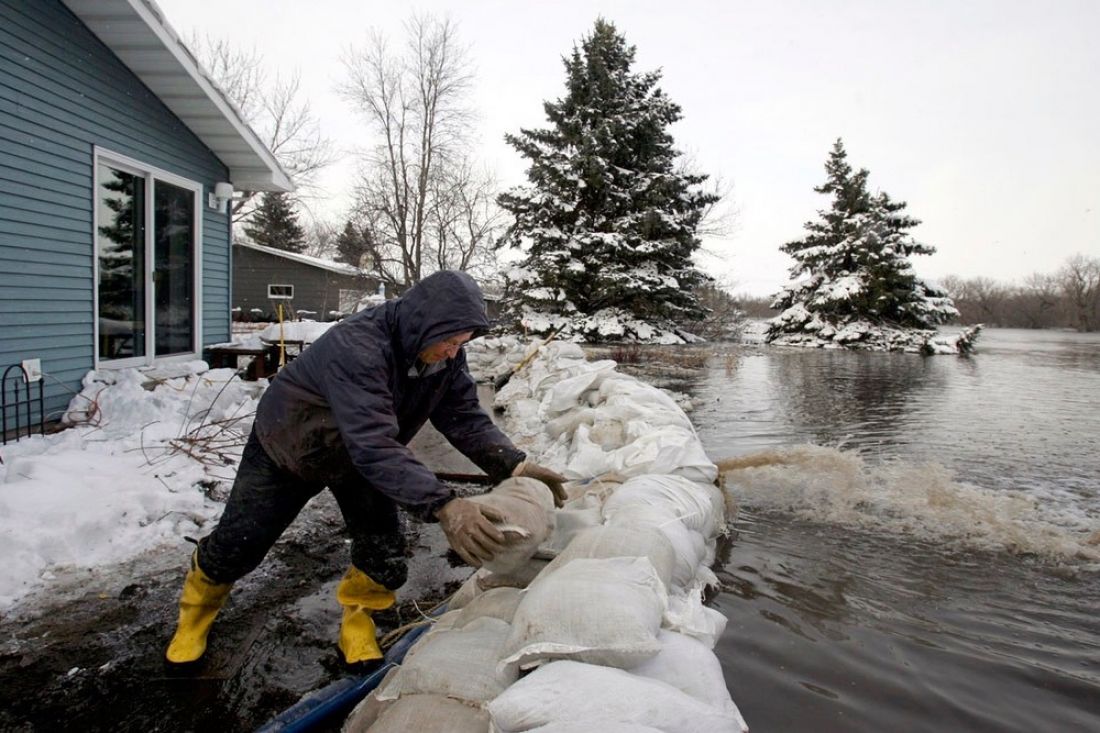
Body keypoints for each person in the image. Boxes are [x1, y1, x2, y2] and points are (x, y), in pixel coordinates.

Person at [165, 270, 565, 667]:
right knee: (241, 541)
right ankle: (196, 611)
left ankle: (359, 618)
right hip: (290, 446)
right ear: (424, 323)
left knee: (383, 549)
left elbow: (462, 415)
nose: (453, 351)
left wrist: (515, 463)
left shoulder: (443, 354)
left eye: (462, 343)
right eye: (449, 340)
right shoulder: (360, 347)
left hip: (362, 458)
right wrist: (445, 506)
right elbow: (373, 442)